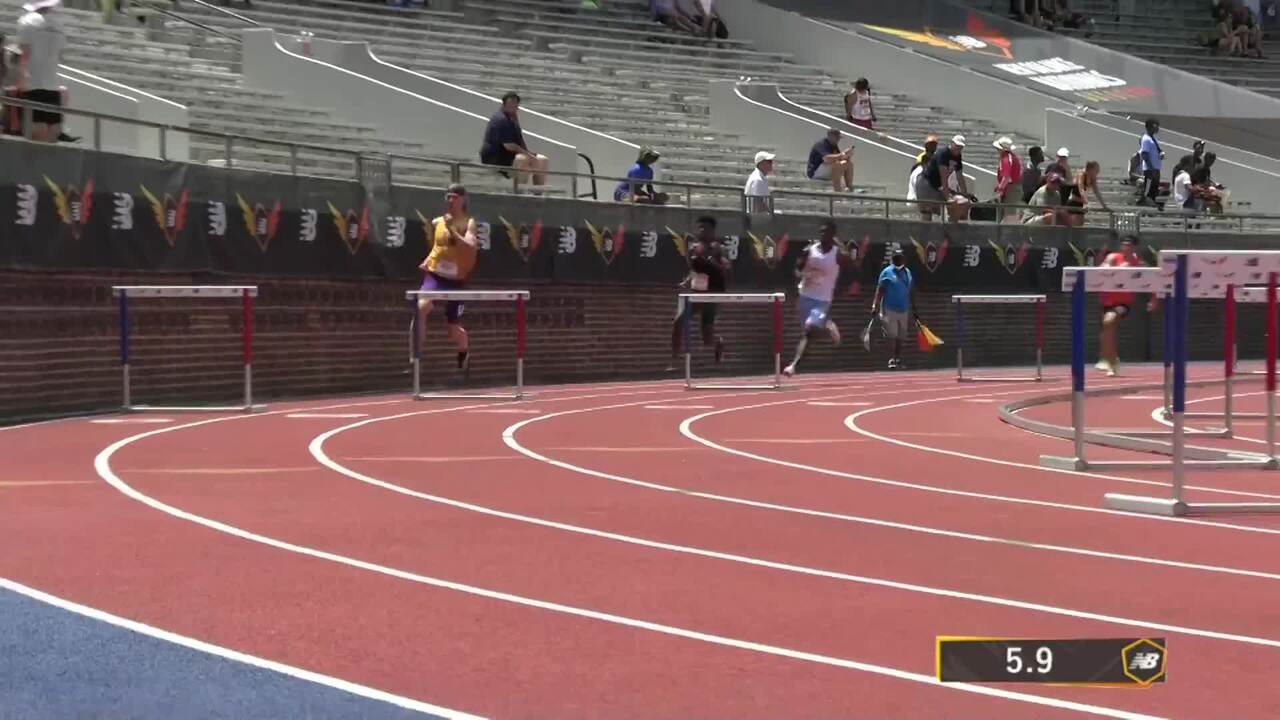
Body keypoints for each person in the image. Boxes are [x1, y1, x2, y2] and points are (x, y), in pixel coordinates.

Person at [416, 184, 479, 375]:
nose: (451, 201)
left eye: (455, 197)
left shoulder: (469, 223)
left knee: (453, 330)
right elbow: (438, 246)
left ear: (463, 200)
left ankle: (463, 353)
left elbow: (470, 246)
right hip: (435, 276)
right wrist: (428, 259)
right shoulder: (437, 222)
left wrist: (453, 229)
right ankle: (416, 355)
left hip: (457, 280)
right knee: (422, 307)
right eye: (448, 197)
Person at [783, 219, 853, 377]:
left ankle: (793, 365)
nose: (823, 234)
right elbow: (796, 270)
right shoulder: (809, 250)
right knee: (810, 333)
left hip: (823, 300)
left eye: (827, 232)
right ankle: (828, 327)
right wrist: (804, 276)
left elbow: (852, 268)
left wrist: (843, 289)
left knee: (809, 331)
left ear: (833, 235)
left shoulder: (838, 254)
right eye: (821, 231)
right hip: (805, 296)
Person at [669, 215, 729, 370]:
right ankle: (675, 358)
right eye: (700, 228)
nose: (702, 231)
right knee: (678, 321)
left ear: (713, 231)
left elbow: (726, 268)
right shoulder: (693, 248)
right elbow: (693, 270)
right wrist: (686, 281)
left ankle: (717, 342)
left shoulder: (719, 249)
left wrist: (710, 260)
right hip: (697, 291)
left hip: (713, 291)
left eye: (705, 228)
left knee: (706, 335)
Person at [1096, 235, 1157, 377]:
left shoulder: (1139, 264)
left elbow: (1153, 281)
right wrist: (1105, 263)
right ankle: (1112, 360)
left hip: (1123, 303)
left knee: (1109, 322)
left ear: (1135, 247)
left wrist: (1153, 300)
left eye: (1129, 245)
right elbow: (1102, 269)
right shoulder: (1113, 257)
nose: (1125, 247)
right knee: (1106, 332)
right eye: (1123, 244)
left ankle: (1109, 362)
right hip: (1107, 300)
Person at [15, 0, 66, 143]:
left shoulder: (27, 22)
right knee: (52, 135)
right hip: (52, 84)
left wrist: (21, 79)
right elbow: (60, 55)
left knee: (34, 135)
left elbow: (25, 53)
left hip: (32, 82)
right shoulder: (59, 25)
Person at [479, 92, 549, 193]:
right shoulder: (500, 119)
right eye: (510, 104)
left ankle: (538, 194)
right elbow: (509, 145)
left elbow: (519, 142)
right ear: (504, 105)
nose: (513, 106)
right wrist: (529, 156)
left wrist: (531, 155)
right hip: (495, 156)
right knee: (523, 159)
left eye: (515, 104)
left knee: (543, 160)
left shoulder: (512, 119)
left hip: (510, 155)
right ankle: (519, 194)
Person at [871, 250, 916, 370]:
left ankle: (897, 359)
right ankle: (891, 359)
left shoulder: (908, 272)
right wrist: (875, 305)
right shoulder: (887, 272)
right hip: (889, 308)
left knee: (901, 336)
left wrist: (913, 307)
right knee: (891, 334)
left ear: (903, 259)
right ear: (892, 258)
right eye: (895, 257)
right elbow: (880, 290)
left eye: (900, 257)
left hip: (903, 308)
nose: (898, 259)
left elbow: (910, 290)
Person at [914, 134, 973, 223]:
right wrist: (947, 197)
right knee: (927, 212)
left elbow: (960, 176)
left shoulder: (958, 156)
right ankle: (924, 234)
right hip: (926, 182)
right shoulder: (944, 153)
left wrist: (964, 194)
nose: (958, 149)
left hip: (937, 184)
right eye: (956, 146)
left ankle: (949, 231)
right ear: (951, 143)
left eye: (960, 147)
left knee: (956, 205)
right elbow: (943, 177)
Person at [807, 128, 854, 192]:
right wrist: (842, 154)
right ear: (830, 136)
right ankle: (838, 191)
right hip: (815, 171)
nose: (838, 140)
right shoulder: (821, 144)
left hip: (827, 169)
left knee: (848, 164)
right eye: (837, 138)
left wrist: (847, 156)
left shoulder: (834, 146)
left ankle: (849, 188)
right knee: (837, 165)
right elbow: (826, 159)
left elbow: (839, 158)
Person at [1136, 118, 1164, 207]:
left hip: (1155, 169)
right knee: (1147, 192)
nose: (1157, 128)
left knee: (1153, 192)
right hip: (1150, 170)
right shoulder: (1146, 139)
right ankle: (1144, 208)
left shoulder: (1153, 138)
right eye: (1156, 125)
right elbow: (1144, 154)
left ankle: (1150, 209)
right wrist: (1151, 169)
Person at [993, 136, 1022, 220]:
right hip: (1014, 187)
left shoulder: (1005, 159)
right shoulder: (1012, 157)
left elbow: (1006, 177)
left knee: (1009, 215)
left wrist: (1000, 188)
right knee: (1010, 213)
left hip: (1011, 189)